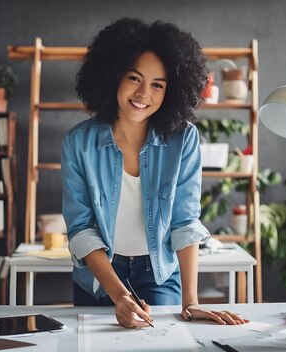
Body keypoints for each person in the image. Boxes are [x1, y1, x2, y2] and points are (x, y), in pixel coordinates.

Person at [61, 18, 246, 328]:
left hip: (159, 272)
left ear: (170, 90)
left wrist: (192, 302)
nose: (144, 93)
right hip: (100, 277)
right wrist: (119, 295)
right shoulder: (78, 143)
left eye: (158, 84)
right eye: (134, 78)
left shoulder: (183, 139)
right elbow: (80, 229)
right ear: (113, 76)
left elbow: (184, 221)